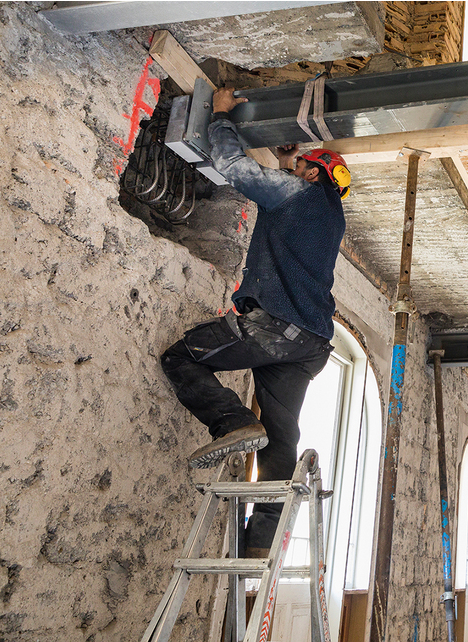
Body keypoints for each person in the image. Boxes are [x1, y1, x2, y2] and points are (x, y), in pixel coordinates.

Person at [160, 87, 351, 557]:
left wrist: (221, 114)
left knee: (182, 356)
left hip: (276, 327)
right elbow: (289, 207)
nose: (296, 166)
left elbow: (233, 166)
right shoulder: (329, 216)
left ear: (315, 172)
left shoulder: (296, 193)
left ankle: (233, 421)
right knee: (282, 435)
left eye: (305, 164)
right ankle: (260, 541)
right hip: (311, 343)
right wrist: (289, 166)